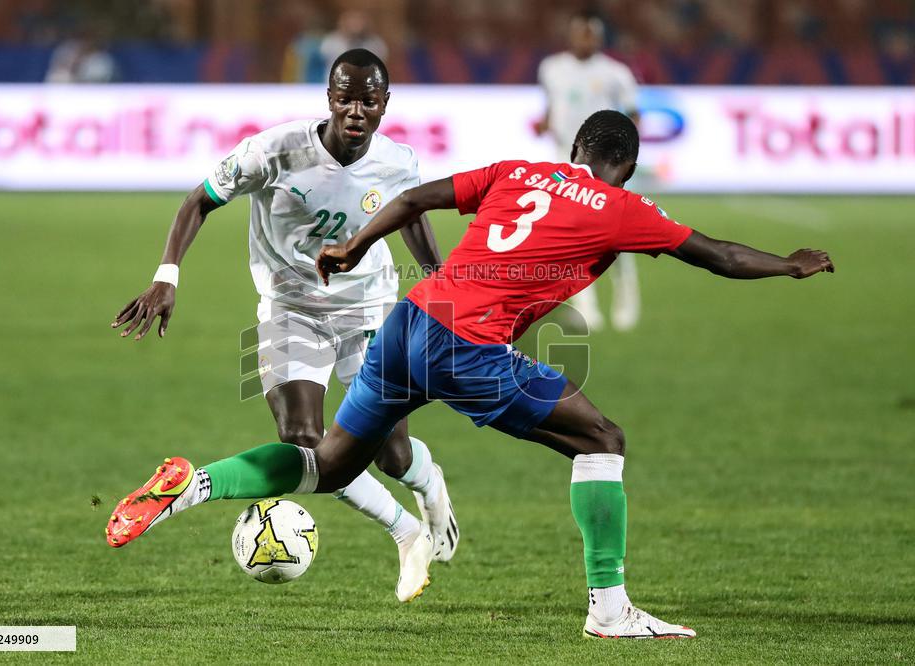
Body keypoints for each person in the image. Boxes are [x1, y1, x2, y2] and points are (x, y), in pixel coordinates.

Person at [106, 110, 833, 636]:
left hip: (408, 322)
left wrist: (357, 246)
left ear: (575, 147)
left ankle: (190, 488)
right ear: (625, 166)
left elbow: (417, 198)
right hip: (466, 347)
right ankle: (610, 611)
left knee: (325, 466)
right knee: (601, 440)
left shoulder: (522, 171)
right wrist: (791, 266)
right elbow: (719, 256)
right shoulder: (622, 208)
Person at [107, 49, 458, 603]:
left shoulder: (398, 162)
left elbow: (411, 215)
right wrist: (166, 276)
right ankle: (404, 530)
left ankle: (430, 488)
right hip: (289, 307)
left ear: (385, 104)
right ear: (329, 98)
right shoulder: (274, 151)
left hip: (368, 309)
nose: (355, 111)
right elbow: (199, 200)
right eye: (345, 98)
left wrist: (443, 287)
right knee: (304, 438)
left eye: (368, 100)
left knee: (392, 454)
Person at [536, 14, 642, 331]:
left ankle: (626, 300)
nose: (585, 39)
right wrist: (545, 122)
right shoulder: (551, 68)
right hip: (566, 159)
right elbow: (551, 107)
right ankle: (587, 308)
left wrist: (625, 154)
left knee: (619, 234)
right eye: (579, 33)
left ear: (599, 37)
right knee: (572, 234)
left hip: (606, 163)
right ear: (570, 36)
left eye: (590, 34)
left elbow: (634, 115)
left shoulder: (616, 73)